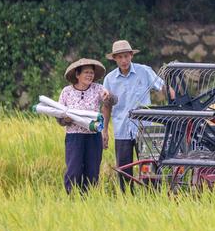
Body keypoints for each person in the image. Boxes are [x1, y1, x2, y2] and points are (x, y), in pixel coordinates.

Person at [102, 39, 165, 191]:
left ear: (131, 55)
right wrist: (104, 131)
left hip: (145, 130)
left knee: (150, 170)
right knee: (124, 171)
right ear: (115, 59)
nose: (123, 60)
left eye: (126, 56)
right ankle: (127, 200)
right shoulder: (109, 79)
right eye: (120, 57)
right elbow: (106, 105)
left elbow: (163, 87)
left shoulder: (144, 71)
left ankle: (154, 199)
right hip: (122, 130)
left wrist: (172, 94)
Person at [59, 58, 114, 194]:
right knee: (74, 170)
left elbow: (112, 101)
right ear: (77, 75)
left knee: (92, 171)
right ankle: (72, 199)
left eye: (91, 72)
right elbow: (59, 119)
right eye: (86, 72)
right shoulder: (66, 92)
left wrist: (109, 97)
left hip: (93, 137)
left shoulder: (98, 89)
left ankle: (89, 200)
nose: (90, 75)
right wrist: (65, 120)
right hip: (74, 138)